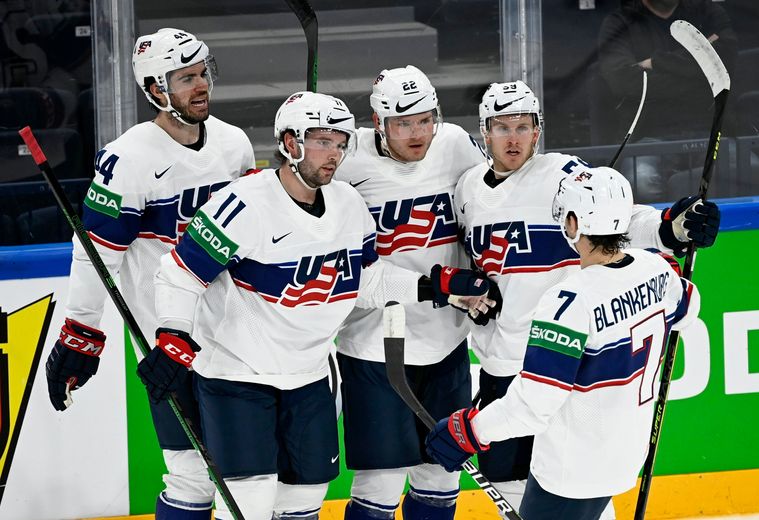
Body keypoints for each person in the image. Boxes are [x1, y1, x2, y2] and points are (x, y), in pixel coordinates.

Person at [140, 91, 493, 520]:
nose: (335, 153)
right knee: (249, 506)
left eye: (341, 143)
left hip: (309, 379)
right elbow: (178, 272)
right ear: (290, 143)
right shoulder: (244, 202)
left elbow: (365, 280)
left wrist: (439, 284)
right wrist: (174, 333)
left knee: (305, 503)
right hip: (238, 377)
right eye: (322, 141)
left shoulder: (348, 204)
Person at [447, 80, 720, 517]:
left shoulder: (562, 175)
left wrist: (670, 228)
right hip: (502, 365)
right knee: (514, 492)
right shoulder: (466, 191)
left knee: (576, 486)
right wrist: (468, 296)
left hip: (563, 366)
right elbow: (471, 263)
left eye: (523, 126)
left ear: (538, 131)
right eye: (502, 127)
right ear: (485, 132)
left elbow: (618, 220)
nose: (513, 138)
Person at [42, 28, 256, 519]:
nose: (201, 86)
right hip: (170, 340)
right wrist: (81, 333)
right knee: (190, 478)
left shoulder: (234, 144)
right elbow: (97, 255)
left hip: (239, 332)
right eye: (185, 78)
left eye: (203, 74)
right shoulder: (128, 159)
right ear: (156, 90)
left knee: (251, 478)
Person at [425, 166, 701, 520]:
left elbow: (534, 404)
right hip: (624, 457)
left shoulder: (569, 302)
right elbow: (689, 307)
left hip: (571, 469)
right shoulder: (655, 269)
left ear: (574, 223)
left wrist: (469, 430)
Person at [334, 65, 492, 520]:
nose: (417, 133)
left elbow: (489, 208)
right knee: (380, 485)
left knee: (441, 477)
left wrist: (485, 282)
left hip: (446, 340)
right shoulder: (347, 160)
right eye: (403, 123)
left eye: (425, 120)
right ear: (377, 121)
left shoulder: (457, 145)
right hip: (373, 345)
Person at [597, 0, 737, 201]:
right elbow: (624, 81)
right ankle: (659, 231)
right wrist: (700, 69)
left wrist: (655, 63)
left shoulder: (707, 11)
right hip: (649, 136)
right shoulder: (620, 22)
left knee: (750, 173)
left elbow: (726, 63)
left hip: (710, 133)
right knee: (641, 182)